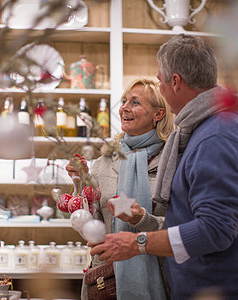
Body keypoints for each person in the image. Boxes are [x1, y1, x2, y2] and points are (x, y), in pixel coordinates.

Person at [90, 34, 238, 299]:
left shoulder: (216, 136)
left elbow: (215, 229)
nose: (160, 86)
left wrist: (138, 243)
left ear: (175, 81)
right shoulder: (208, 129)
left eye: (160, 80)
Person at [65, 78, 175, 299]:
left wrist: (141, 219)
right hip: (107, 281)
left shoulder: (172, 161)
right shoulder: (104, 161)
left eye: (135, 102)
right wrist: (80, 185)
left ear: (158, 114)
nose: (124, 107)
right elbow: (88, 225)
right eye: (124, 101)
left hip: (161, 279)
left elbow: (182, 229)